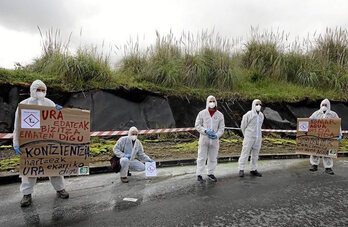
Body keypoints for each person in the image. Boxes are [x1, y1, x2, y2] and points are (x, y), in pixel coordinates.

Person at [13, 80, 68, 207]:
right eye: (39, 90)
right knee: (30, 168)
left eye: (43, 90)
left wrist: (60, 111)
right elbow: (17, 125)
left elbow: (58, 122)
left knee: (53, 166)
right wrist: (16, 143)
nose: (41, 92)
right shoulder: (24, 104)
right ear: (32, 90)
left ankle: (60, 189)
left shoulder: (49, 103)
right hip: (30, 143)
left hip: (48, 142)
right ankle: (27, 194)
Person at [195, 95, 225, 183]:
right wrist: (205, 131)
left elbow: (221, 128)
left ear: (216, 102)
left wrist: (217, 135)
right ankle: (199, 174)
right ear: (207, 102)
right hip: (204, 140)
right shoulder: (202, 113)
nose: (212, 103)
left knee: (213, 158)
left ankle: (210, 173)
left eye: (213, 101)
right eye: (210, 101)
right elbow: (197, 125)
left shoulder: (220, 115)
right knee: (201, 157)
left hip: (214, 141)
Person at [309, 99, 342, 175]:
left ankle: (328, 167)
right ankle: (314, 165)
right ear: (320, 105)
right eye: (323, 105)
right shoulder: (316, 113)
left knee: (328, 151)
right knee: (315, 150)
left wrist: (339, 134)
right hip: (318, 136)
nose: (324, 106)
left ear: (329, 106)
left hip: (329, 137)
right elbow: (309, 121)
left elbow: (338, 124)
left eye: (326, 105)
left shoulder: (333, 114)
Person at [238, 99, 264, 177]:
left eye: (260, 104)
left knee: (255, 154)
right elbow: (243, 126)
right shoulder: (248, 115)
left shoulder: (261, 115)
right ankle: (241, 169)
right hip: (249, 137)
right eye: (257, 104)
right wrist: (246, 135)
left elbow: (260, 126)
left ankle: (253, 169)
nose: (258, 106)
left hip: (258, 137)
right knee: (245, 153)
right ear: (253, 105)